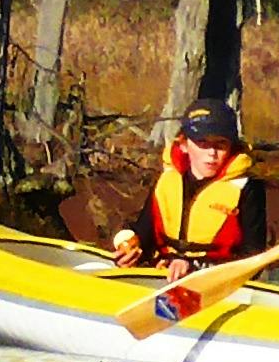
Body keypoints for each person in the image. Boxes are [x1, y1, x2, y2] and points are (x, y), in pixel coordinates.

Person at [111, 102, 270, 272]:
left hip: (216, 284)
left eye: (221, 144)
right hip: (163, 276)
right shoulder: (167, 181)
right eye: (202, 143)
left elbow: (252, 259)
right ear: (184, 145)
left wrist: (193, 267)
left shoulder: (248, 189)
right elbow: (145, 235)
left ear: (232, 147)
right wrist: (131, 252)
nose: (212, 153)